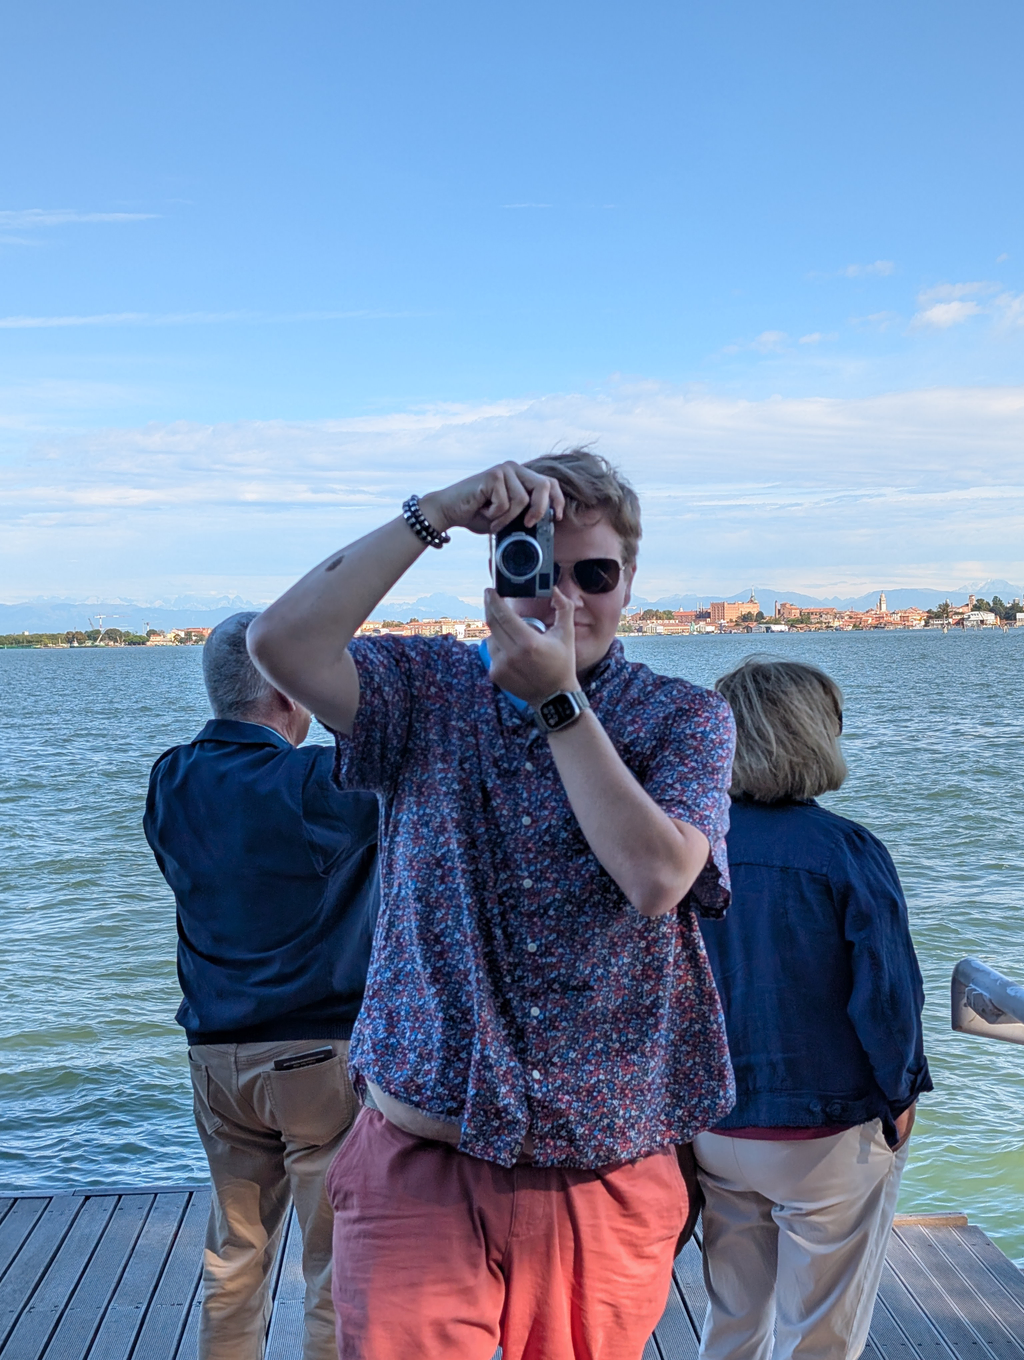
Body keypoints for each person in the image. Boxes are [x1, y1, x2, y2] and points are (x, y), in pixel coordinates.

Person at [246, 451, 737, 1360]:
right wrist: (432, 512)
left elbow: (658, 876)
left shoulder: (685, 718)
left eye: (595, 575)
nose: (567, 600)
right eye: (536, 571)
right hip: (418, 1158)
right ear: (496, 575)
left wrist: (558, 703)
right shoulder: (428, 693)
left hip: (600, 1172)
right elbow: (279, 645)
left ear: (631, 580)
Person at [143, 611, 380, 1360]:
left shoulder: (170, 777)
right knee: (332, 1267)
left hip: (214, 1054)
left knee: (234, 1256)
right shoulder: (314, 782)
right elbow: (398, 760)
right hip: (316, 1055)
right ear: (286, 692)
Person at [695, 657, 933, 1360]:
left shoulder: (685, 850)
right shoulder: (846, 852)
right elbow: (887, 999)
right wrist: (900, 1094)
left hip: (715, 1123)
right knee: (820, 1338)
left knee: (733, 1321)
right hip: (823, 1132)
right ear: (815, 737)